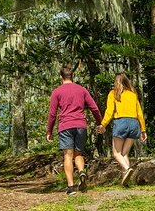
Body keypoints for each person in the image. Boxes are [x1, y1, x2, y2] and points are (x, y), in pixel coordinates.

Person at [46, 65, 103, 195]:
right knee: (78, 154)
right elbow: (94, 107)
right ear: (72, 76)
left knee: (68, 155)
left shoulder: (57, 92)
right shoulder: (82, 90)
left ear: (61, 77)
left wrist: (49, 131)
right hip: (80, 125)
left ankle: (71, 187)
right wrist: (99, 122)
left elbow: (52, 114)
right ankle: (82, 171)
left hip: (66, 125)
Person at [96, 72, 147, 186]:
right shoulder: (133, 95)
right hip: (134, 124)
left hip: (121, 123)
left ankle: (127, 168)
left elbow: (109, 112)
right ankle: (125, 181)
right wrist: (143, 130)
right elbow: (139, 113)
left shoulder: (113, 93)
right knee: (124, 154)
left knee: (116, 153)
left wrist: (103, 124)